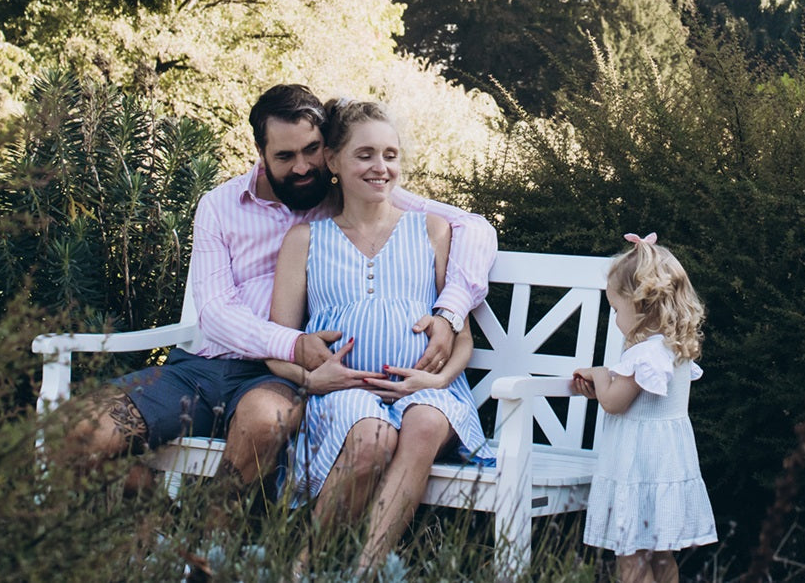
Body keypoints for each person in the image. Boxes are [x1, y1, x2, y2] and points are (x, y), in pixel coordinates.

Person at [63, 84, 494, 496]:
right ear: (261, 154)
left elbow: (472, 227)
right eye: (285, 156)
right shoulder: (220, 205)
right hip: (203, 368)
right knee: (77, 434)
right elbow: (214, 312)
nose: (303, 167)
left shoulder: (346, 194)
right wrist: (293, 344)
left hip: (275, 379)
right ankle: (166, 522)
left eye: (311, 152)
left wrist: (449, 311)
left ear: (328, 152)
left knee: (264, 424)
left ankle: (212, 549)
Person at [263, 98, 493, 575]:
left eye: (390, 154)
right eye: (365, 154)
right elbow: (277, 345)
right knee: (370, 438)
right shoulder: (305, 240)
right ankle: (303, 565)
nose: (380, 167)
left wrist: (433, 381)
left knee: (425, 423)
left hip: (428, 391)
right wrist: (312, 379)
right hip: (343, 392)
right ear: (333, 161)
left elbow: (462, 338)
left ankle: (368, 570)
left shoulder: (432, 231)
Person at [572, 233, 717, 583]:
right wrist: (606, 386)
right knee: (662, 557)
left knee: (631, 560)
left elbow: (614, 403)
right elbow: (642, 401)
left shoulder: (643, 355)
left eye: (616, 309)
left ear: (642, 305)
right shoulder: (673, 350)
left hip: (638, 470)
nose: (616, 318)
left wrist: (599, 375)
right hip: (664, 467)